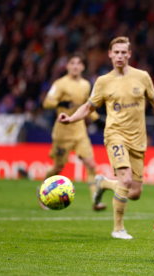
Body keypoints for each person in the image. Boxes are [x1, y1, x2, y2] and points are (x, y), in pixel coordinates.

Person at [58, 37, 154, 239]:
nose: (120, 56)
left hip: (138, 139)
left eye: (124, 52)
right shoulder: (103, 82)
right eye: (116, 52)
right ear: (110, 55)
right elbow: (88, 107)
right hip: (115, 135)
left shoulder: (142, 77)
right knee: (126, 179)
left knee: (135, 192)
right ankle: (118, 228)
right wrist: (71, 118)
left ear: (129, 54)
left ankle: (104, 183)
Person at [36, 52, 106, 211]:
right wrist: (61, 101)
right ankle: (42, 191)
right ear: (67, 66)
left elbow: (87, 106)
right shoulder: (60, 84)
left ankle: (96, 201)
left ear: (82, 67)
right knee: (58, 168)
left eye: (78, 63)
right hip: (63, 133)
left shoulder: (86, 85)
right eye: (72, 63)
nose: (75, 66)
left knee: (90, 165)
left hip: (80, 132)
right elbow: (47, 102)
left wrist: (97, 119)